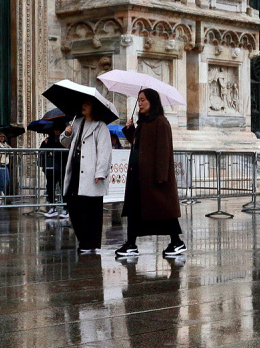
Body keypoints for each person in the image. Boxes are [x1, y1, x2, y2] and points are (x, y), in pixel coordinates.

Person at [116, 89, 185, 258]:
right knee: (135, 210)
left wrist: (161, 177)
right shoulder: (143, 123)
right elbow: (138, 144)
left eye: (143, 100)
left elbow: (164, 151)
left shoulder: (161, 123)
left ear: (152, 102)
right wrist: (129, 130)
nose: (140, 103)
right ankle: (131, 243)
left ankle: (176, 242)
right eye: (138, 100)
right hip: (138, 177)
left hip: (153, 179)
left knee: (163, 212)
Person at [62, 99, 112, 255]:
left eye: (87, 104)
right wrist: (66, 133)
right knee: (73, 205)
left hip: (91, 174)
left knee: (91, 209)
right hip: (76, 170)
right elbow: (65, 143)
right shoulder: (77, 123)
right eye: (82, 103)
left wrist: (100, 172)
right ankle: (83, 239)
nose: (83, 106)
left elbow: (104, 151)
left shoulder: (100, 126)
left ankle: (90, 243)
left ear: (94, 107)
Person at [39, 123, 68, 219]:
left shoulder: (64, 140)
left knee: (63, 187)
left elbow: (65, 152)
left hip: (62, 167)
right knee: (50, 187)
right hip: (51, 168)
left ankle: (65, 208)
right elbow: (42, 151)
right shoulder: (49, 140)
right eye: (55, 129)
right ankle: (52, 207)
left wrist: (54, 154)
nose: (56, 131)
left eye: (58, 129)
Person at [0, 132, 12, 203]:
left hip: (5, 164)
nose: (2, 138)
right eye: (0, 137)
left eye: (3, 137)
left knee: (7, 179)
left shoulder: (6, 145)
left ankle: (2, 191)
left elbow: (12, 152)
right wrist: (3, 150)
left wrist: (9, 148)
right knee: (0, 179)